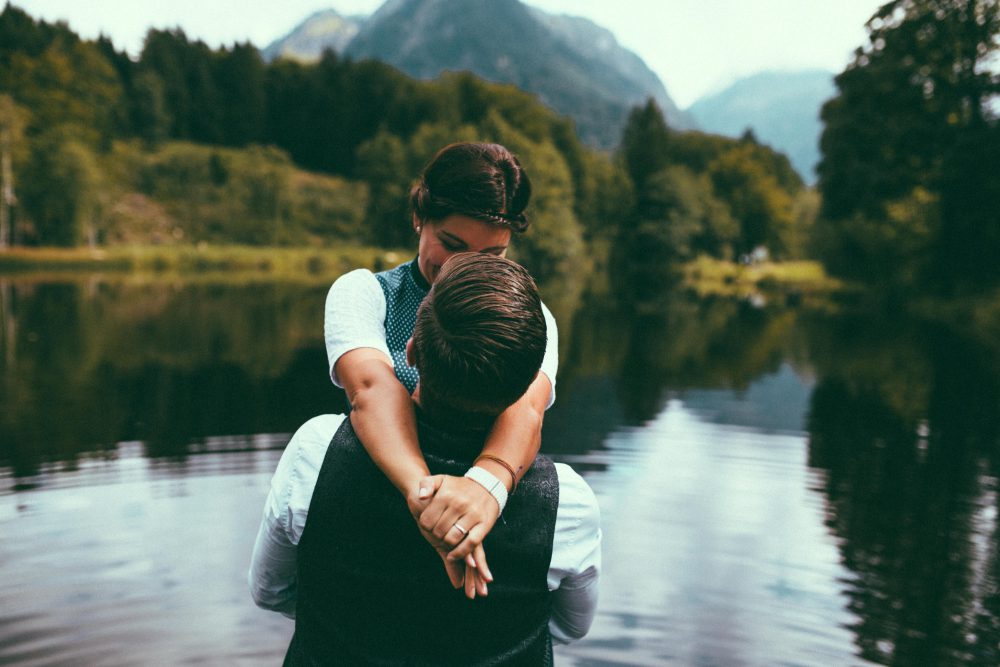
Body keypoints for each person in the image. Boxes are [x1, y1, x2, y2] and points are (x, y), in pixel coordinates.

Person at [249, 253, 601, 665]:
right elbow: (569, 627)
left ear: (412, 350)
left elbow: (270, 591)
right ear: (528, 386)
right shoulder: (566, 502)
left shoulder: (316, 453)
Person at [323, 142, 559, 583]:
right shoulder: (364, 294)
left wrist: (484, 489)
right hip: (374, 518)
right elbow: (371, 389)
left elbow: (526, 408)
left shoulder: (530, 319)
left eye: (491, 256)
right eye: (452, 244)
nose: (462, 267)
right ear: (419, 217)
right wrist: (427, 501)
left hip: (485, 529)